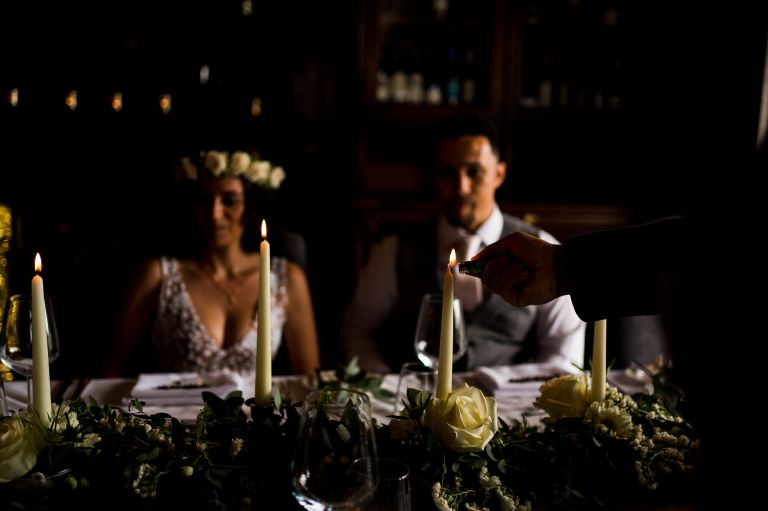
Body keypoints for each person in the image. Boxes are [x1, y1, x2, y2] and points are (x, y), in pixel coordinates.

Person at [341, 113, 585, 373]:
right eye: (448, 172)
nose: (461, 188)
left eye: (474, 172)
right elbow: (357, 332)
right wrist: (386, 383)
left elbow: (563, 354)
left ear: (499, 174)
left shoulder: (542, 250)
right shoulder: (392, 251)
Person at [104, 150, 320, 377]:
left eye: (229, 201)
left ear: (251, 205)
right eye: (204, 201)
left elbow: (309, 379)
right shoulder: (158, 274)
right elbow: (108, 370)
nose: (215, 214)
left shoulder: (287, 277)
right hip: (172, 411)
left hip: (254, 412)